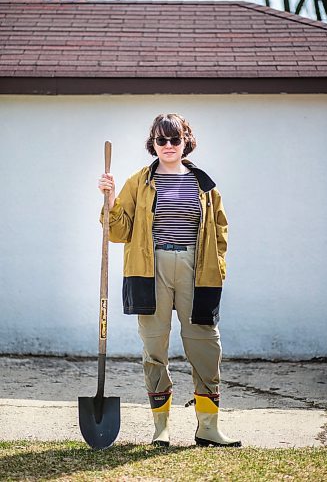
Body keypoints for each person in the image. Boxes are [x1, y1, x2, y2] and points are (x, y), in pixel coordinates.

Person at [98, 113, 241, 448]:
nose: (168, 146)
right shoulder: (139, 182)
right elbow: (118, 232)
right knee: (154, 347)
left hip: (196, 268)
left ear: (185, 141)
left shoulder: (204, 184)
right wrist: (109, 200)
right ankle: (161, 427)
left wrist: (217, 266)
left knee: (205, 344)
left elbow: (219, 232)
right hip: (151, 269)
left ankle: (208, 426)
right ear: (154, 143)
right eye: (161, 140)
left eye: (174, 139)